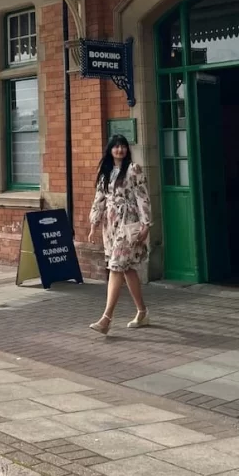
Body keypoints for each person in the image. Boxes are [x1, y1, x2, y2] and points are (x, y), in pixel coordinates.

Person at [88, 134, 152, 335]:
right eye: (115, 146)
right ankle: (142, 312)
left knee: (116, 267)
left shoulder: (134, 169)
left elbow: (143, 197)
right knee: (127, 269)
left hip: (128, 222)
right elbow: (99, 198)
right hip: (111, 224)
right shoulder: (105, 171)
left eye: (123, 146)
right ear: (110, 150)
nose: (119, 150)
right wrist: (93, 225)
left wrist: (146, 224)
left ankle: (106, 319)